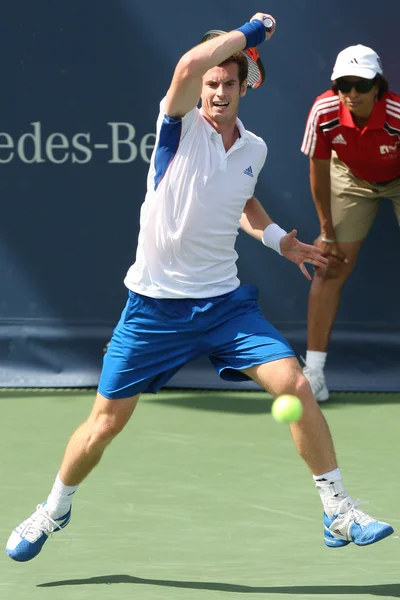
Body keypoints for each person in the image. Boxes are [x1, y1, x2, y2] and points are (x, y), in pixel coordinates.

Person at [6, 18, 393, 563]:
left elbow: (243, 204)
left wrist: (283, 242)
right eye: (210, 83)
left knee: (295, 386)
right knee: (103, 425)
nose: (215, 91)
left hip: (223, 305)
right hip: (152, 310)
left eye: (227, 84)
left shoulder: (253, 148)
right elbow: (187, 67)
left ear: (244, 86)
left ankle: (338, 510)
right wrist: (252, 29)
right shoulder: (179, 126)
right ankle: (53, 508)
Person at [301, 44, 400, 402]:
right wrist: (326, 231)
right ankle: (313, 373)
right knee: (328, 266)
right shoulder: (324, 111)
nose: (352, 94)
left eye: (361, 84)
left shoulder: (397, 114)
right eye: (344, 85)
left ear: (378, 86)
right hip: (351, 177)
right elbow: (319, 169)